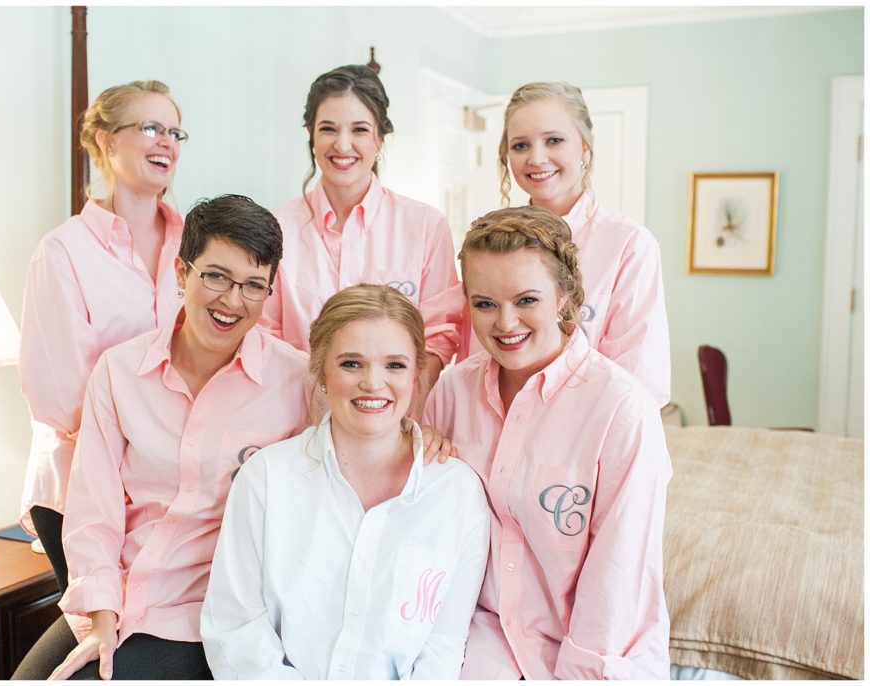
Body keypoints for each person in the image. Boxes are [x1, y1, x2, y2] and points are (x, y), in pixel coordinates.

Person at [41, 194, 311, 680]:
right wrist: (101, 620)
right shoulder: (120, 371)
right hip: (119, 598)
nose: (233, 301)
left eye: (254, 286)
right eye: (217, 276)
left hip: (208, 615)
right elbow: (93, 512)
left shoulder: (297, 384)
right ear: (181, 273)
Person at [425, 207, 672, 679]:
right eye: (485, 304)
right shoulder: (451, 393)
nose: (505, 323)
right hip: (481, 640)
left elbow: (617, 578)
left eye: (526, 300)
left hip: (590, 652)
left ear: (564, 295)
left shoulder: (621, 410)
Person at [201, 284, 490, 679]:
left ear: (416, 374)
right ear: (321, 372)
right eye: (352, 364)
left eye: (394, 365)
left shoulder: (457, 493)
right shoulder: (266, 478)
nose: (373, 383)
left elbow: (443, 646)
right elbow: (236, 628)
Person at [13, 80, 188, 680]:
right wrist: (149, 449)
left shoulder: (194, 246)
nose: (166, 142)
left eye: (174, 131)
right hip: (81, 487)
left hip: (166, 483)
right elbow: (59, 393)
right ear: (105, 141)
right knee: (99, 648)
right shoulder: (63, 252)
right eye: (150, 128)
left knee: (139, 643)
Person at [261, 64, 464, 415]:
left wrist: (405, 413)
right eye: (328, 129)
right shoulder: (277, 227)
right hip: (296, 419)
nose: (342, 145)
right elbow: (265, 333)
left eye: (359, 130)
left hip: (392, 419)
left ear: (380, 138)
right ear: (310, 134)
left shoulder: (425, 226)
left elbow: (439, 335)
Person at [458, 82, 670, 407]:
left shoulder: (628, 245)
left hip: (586, 429)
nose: (536, 158)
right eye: (520, 145)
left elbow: (639, 385)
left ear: (585, 145)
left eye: (554, 140)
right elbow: (473, 364)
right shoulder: (488, 247)